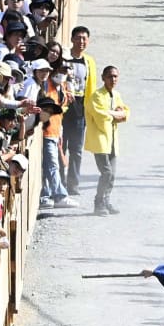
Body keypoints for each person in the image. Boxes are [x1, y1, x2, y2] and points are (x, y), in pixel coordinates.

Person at [85, 67, 130, 216]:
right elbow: (100, 116)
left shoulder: (116, 95)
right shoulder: (96, 96)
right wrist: (115, 114)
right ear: (103, 77)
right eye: (110, 76)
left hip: (112, 139)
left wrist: (116, 114)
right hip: (100, 140)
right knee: (106, 172)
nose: (113, 80)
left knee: (113, 174)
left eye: (116, 76)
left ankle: (106, 200)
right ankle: (98, 203)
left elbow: (125, 113)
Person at [61, 26, 98, 203]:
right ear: (72, 39)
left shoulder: (89, 61)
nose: (81, 41)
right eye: (78, 38)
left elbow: (91, 86)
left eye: (84, 38)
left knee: (76, 148)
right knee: (61, 146)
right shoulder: (64, 59)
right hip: (64, 104)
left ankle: (73, 183)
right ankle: (60, 182)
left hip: (80, 105)